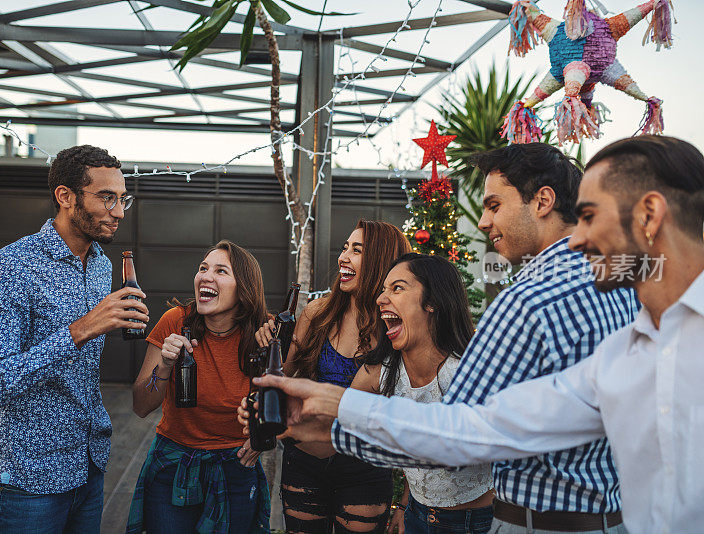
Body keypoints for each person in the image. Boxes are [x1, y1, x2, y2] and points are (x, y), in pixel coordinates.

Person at [252, 135, 704, 533]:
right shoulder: (633, 335)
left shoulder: (533, 299)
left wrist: (335, 410)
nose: (578, 239)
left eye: (588, 216)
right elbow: (482, 427)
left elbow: (462, 433)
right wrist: (334, 406)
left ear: (649, 215)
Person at [0, 145, 147, 533]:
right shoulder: (11, 266)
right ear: (65, 197)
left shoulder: (103, 265)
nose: (118, 211)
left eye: (122, 199)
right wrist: (82, 328)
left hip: (90, 463)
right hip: (30, 477)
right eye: (106, 197)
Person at [254, 219, 412, 533]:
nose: (343, 257)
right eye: (344, 248)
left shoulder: (397, 331)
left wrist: (405, 503)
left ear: (381, 262)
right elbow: (281, 377)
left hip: (364, 470)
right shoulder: (317, 314)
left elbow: (412, 416)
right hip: (304, 463)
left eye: (357, 250)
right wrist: (267, 347)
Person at [127, 240, 271, 534]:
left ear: (244, 288)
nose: (206, 276)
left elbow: (283, 401)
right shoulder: (176, 321)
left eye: (221, 271)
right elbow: (141, 406)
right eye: (203, 268)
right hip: (175, 461)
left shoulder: (264, 334)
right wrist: (165, 365)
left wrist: (262, 439)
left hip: (236, 465)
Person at [354, 253, 494, 534]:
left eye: (397, 288)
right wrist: (404, 505)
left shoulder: (468, 372)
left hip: (475, 523)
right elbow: (335, 418)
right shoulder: (381, 372)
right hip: (418, 516)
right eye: (383, 290)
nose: (381, 299)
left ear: (432, 302)